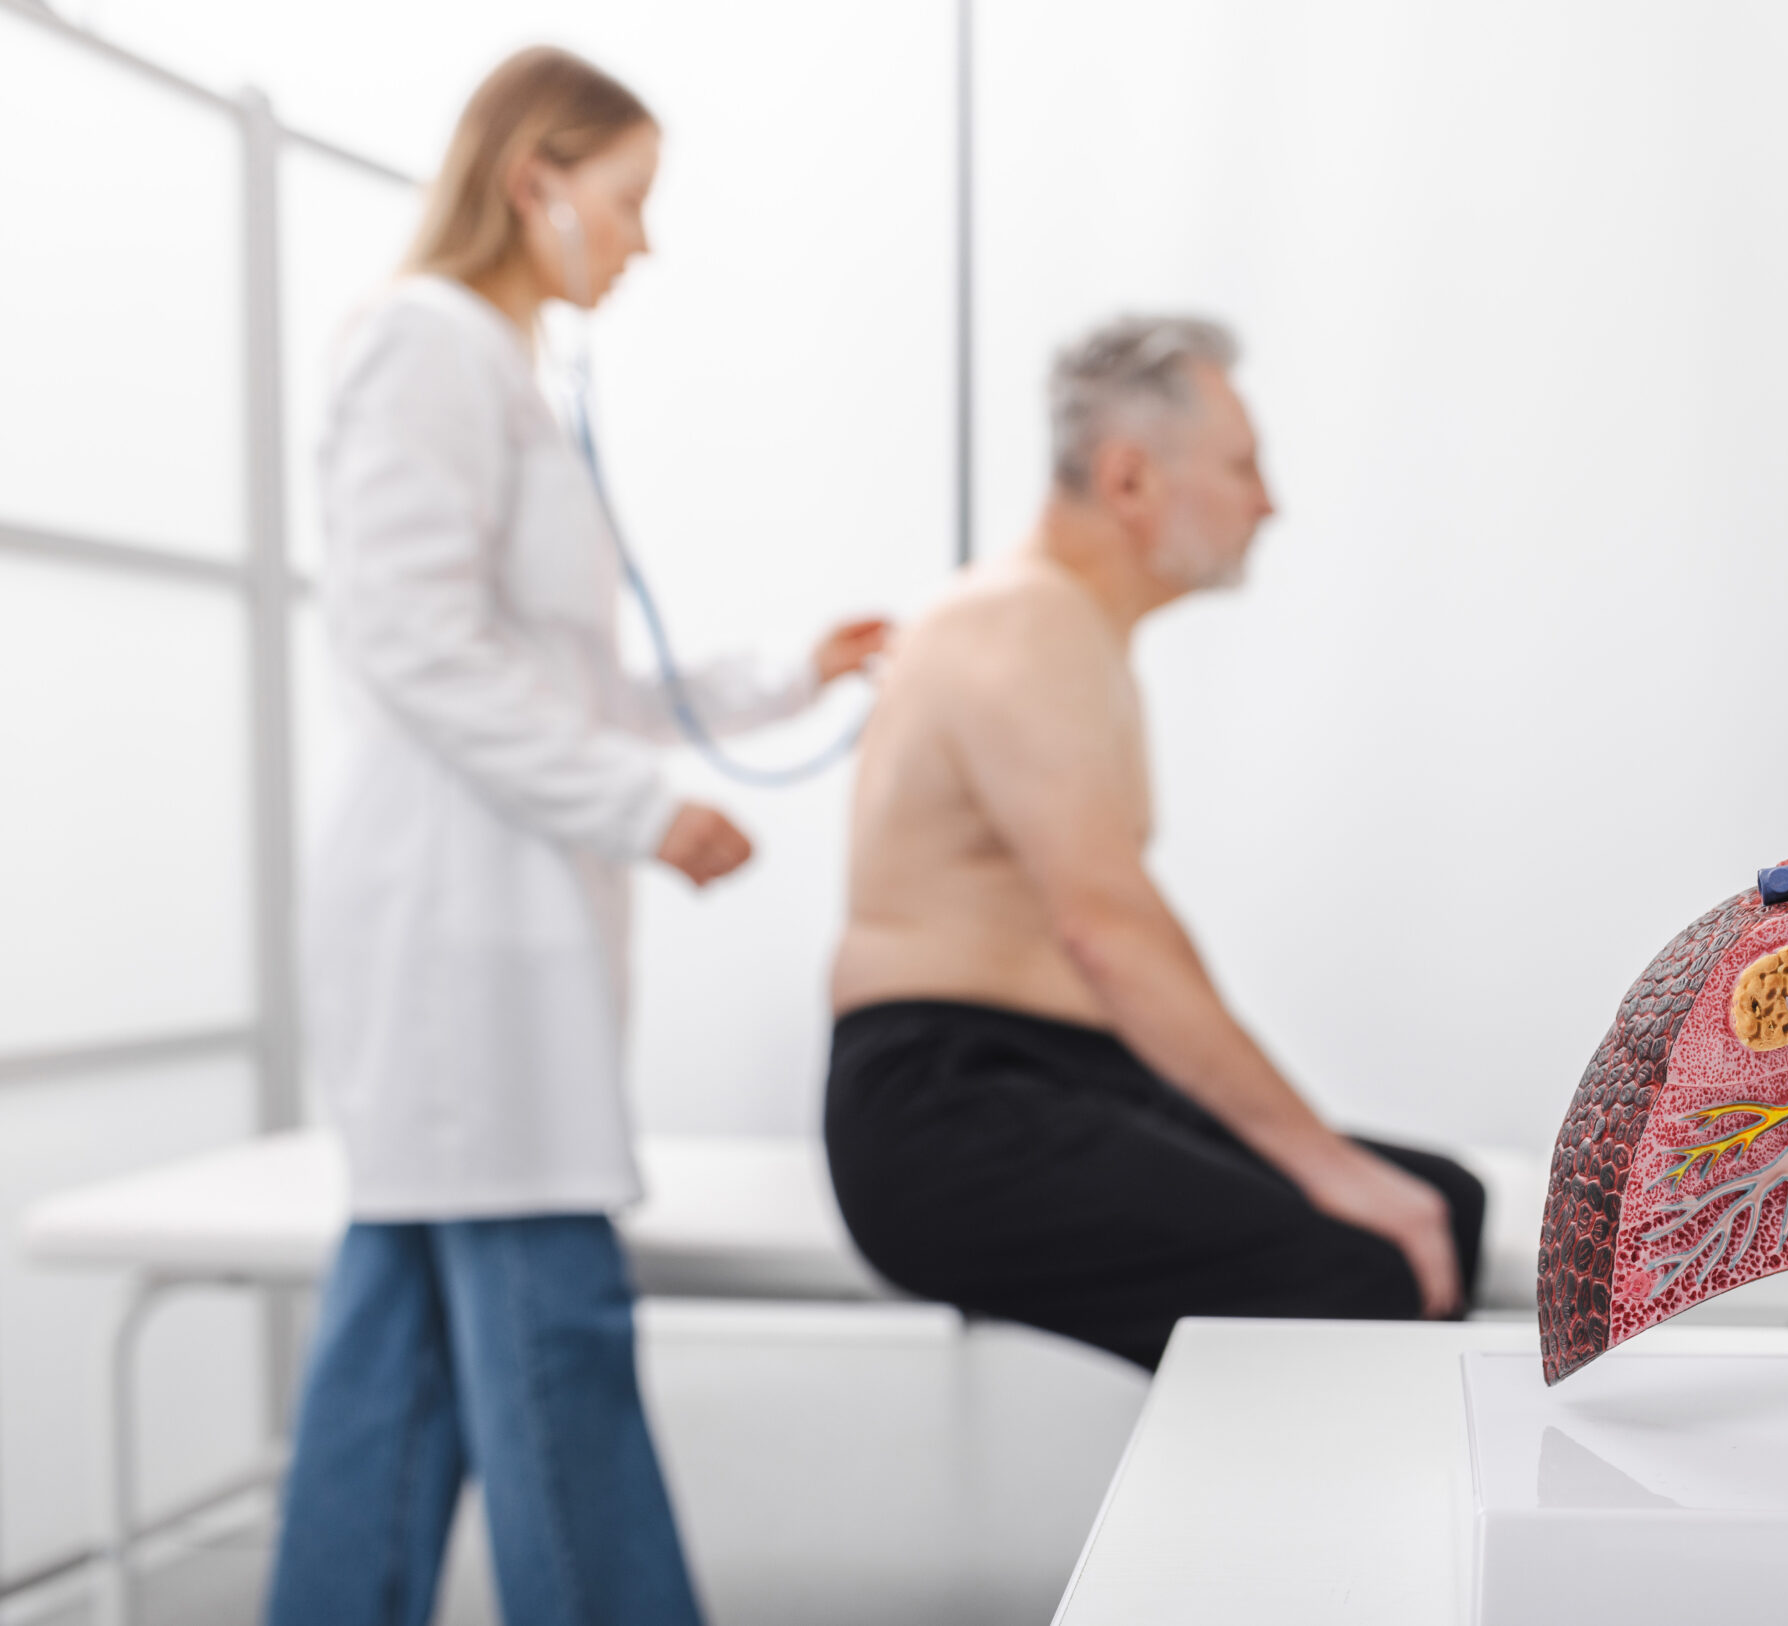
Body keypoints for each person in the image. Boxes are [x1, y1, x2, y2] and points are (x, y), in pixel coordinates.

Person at [267, 48, 888, 1626]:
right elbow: (411, 646)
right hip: (451, 927)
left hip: (491, 918)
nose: (643, 241)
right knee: (552, 1330)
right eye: (627, 202)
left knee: (396, 1352)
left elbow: (573, 674)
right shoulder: (427, 347)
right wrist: (641, 807)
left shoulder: (500, 373)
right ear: (535, 177)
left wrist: (786, 675)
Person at [823, 316, 1484, 1371]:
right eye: (1242, 466)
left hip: (1050, 1074)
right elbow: (1107, 932)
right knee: (1365, 1260)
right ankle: (1305, 1540)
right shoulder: (1022, 620)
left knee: (1444, 1202)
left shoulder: (1064, 629)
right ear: (1129, 480)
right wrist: (1325, 1165)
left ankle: (1335, 1524)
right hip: (950, 1110)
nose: (1268, 502)